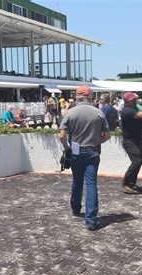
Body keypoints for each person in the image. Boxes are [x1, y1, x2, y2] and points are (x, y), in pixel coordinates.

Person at [59, 85, 111, 231]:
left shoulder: (70, 113)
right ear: (90, 97)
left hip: (76, 151)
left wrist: (67, 148)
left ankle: (75, 207)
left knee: (77, 180)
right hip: (93, 151)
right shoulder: (98, 113)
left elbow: (62, 135)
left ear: (77, 96)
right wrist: (96, 141)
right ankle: (91, 220)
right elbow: (107, 135)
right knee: (91, 184)